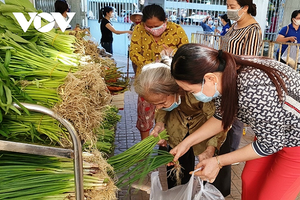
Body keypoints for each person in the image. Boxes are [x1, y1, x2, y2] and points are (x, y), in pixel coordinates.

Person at [169, 43, 300, 200]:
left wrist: (218, 161)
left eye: (192, 91)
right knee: (249, 179)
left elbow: (270, 144)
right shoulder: (225, 75)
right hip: (273, 133)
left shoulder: (253, 87)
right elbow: (221, 117)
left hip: (295, 140)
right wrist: (187, 143)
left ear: (209, 78)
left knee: (271, 196)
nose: (193, 95)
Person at [134, 61, 227, 192]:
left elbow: (217, 120)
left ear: (174, 89)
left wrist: (211, 147)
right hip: (177, 128)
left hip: (203, 128)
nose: (158, 107)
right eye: (155, 104)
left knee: (208, 169)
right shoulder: (163, 98)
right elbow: (161, 110)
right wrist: (160, 124)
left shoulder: (197, 90)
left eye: (161, 102)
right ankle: (177, 192)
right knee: (176, 167)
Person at [129, 4, 189, 140]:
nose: (153, 30)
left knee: (168, 112)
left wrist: (171, 54)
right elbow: (134, 53)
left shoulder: (176, 30)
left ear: (165, 20)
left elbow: (186, 53)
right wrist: (152, 66)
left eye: (157, 26)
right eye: (149, 27)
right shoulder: (139, 30)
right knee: (145, 115)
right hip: (147, 82)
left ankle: (166, 143)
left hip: (169, 83)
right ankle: (145, 147)